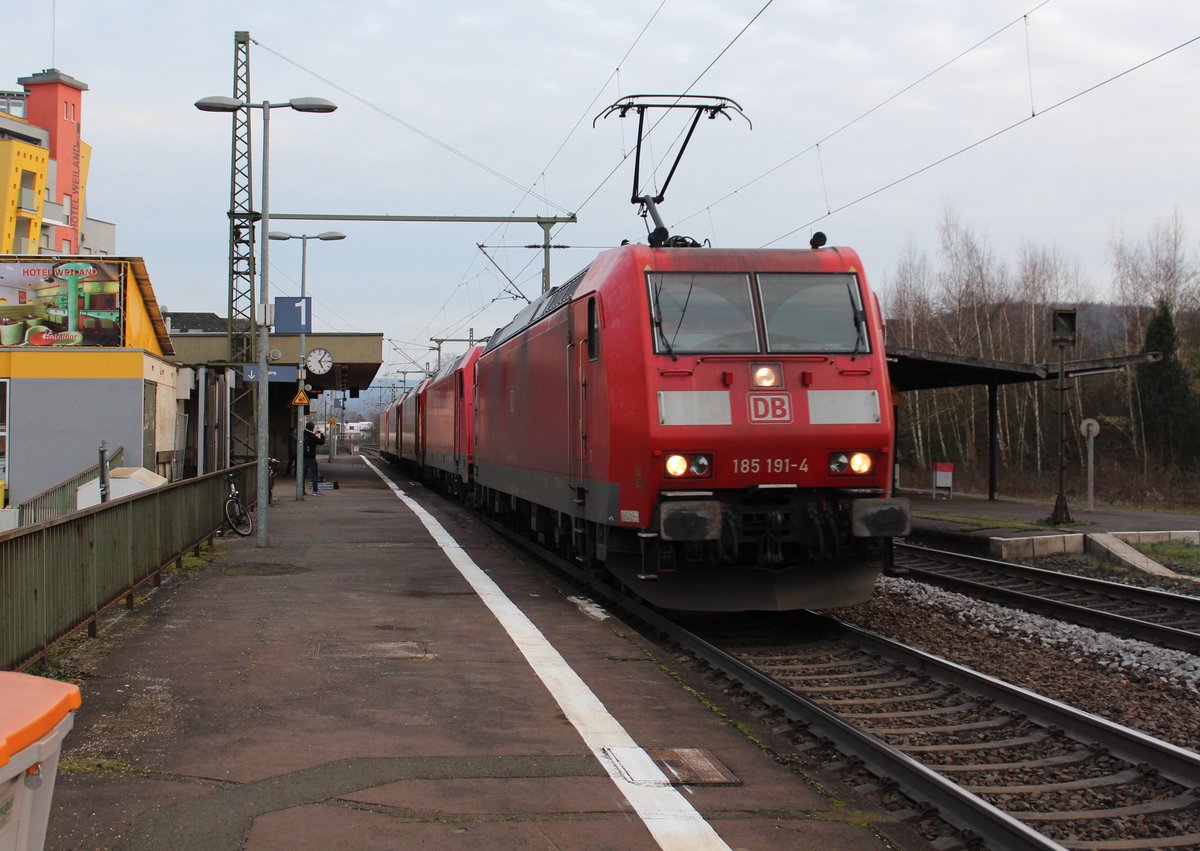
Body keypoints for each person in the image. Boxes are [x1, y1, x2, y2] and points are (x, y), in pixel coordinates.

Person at [303, 422, 325, 496]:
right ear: (312, 428)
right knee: (315, 474)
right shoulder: (312, 436)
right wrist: (322, 434)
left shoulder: (302, 434)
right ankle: (315, 491)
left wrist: (314, 434)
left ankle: (301, 491)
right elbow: (321, 442)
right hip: (311, 458)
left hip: (303, 457)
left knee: (302, 475)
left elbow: (308, 439)